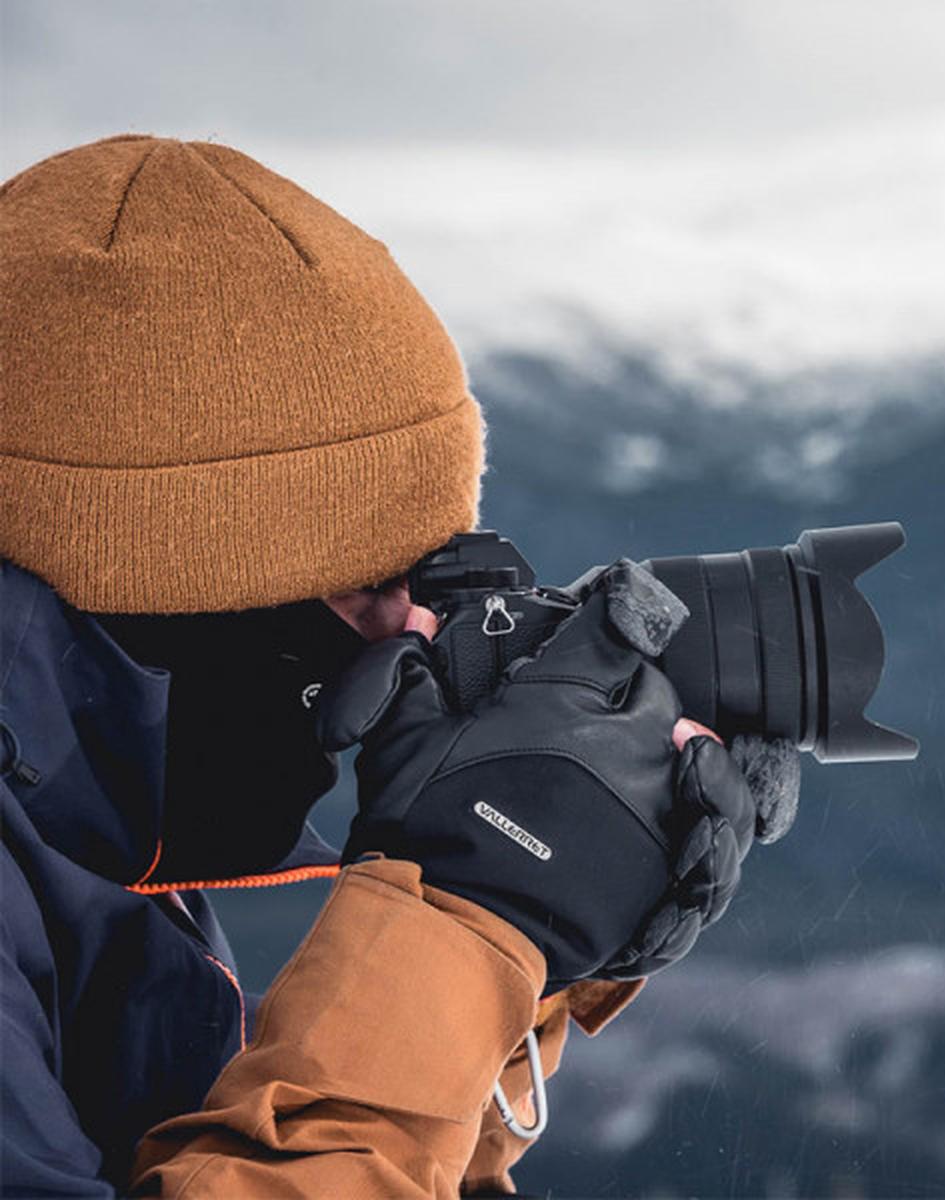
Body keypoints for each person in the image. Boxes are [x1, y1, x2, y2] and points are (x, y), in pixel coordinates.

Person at [0, 135, 779, 1197]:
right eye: (369, 586)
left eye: (433, 582)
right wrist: (457, 931)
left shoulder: (90, 838)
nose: (415, 636)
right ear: (157, 583)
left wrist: (522, 960)